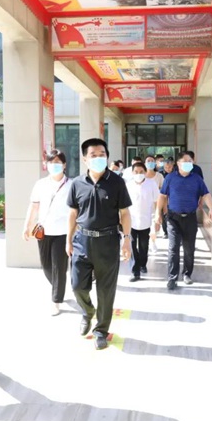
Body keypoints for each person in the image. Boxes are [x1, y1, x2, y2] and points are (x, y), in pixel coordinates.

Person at [66, 138, 132, 350]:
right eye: (93, 155)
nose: (98, 158)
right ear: (85, 159)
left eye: (102, 154)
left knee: (105, 291)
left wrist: (127, 240)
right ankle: (87, 311)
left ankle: (101, 330)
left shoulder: (117, 182)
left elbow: (125, 213)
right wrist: (68, 239)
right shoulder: (77, 183)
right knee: (77, 286)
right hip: (81, 241)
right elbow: (73, 213)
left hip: (108, 241)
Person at [156, 151, 212, 290]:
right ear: (178, 163)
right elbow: (162, 196)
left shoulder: (196, 179)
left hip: (190, 218)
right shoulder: (170, 178)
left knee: (189, 249)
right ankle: (172, 278)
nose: (189, 163)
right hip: (173, 218)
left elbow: (205, 194)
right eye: (185, 161)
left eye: (190, 161)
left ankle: (187, 274)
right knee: (173, 248)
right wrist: (157, 213)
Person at [23, 150, 72, 316]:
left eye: (58, 162)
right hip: (44, 231)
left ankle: (56, 300)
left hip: (63, 232)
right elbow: (34, 206)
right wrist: (27, 225)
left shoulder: (71, 185)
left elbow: (76, 210)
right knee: (46, 266)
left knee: (59, 267)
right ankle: (58, 284)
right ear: (46, 165)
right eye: (51, 162)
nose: (54, 165)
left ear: (64, 165)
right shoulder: (40, 184)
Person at [125, 161, 160, 281]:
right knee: (132, 245)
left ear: (145, 172)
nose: (138, 174)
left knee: (144, 245)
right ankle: (134, 271)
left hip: (146, 220)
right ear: (132, 172)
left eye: (141, 172)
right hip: (131, 221)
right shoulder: (128, 185)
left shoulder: (151, 184)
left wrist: (157, 217)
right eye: (136, 172)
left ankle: (143, 264)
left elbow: (157, 201)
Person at [143, 155, 165, 252]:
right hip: (143, 205)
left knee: (153, 227)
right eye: (148, 161)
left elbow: (163, 191)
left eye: (152, 161)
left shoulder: (159, 176)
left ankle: (152, 242)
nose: (150, 163)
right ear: (145, 163)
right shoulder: (142, 176)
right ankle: (145, 243)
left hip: (155, 205)